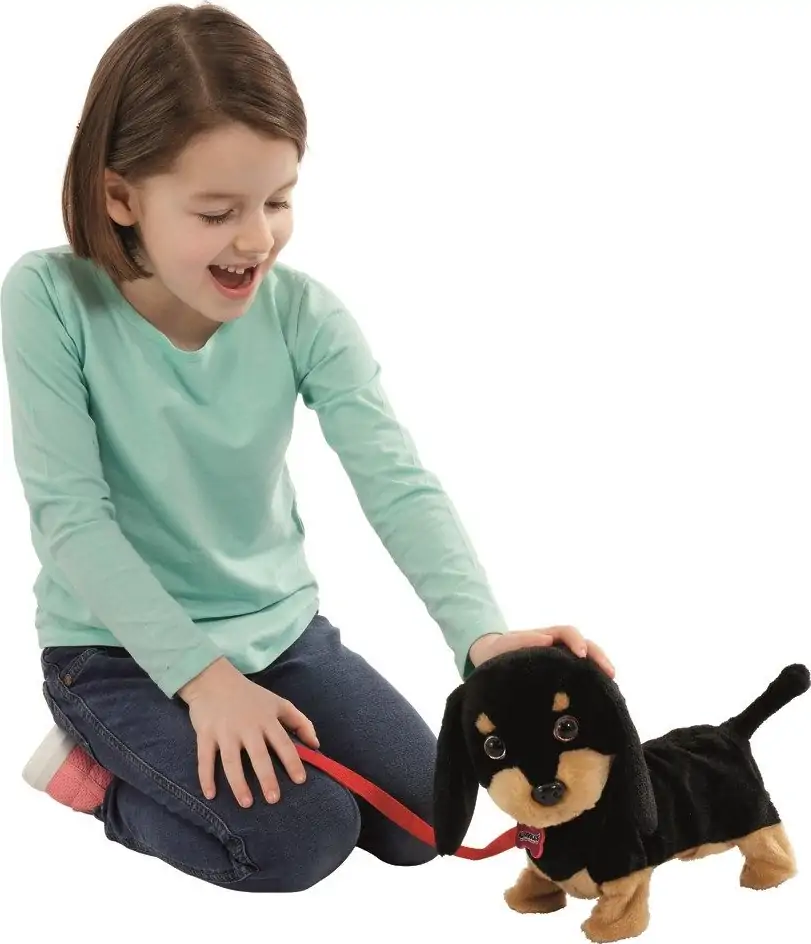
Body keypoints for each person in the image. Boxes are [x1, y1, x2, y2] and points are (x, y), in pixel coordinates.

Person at [0, 3, 613, 893]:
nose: (256, 238)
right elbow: (71, 521)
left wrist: (483, 641)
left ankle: (222, 744)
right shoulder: (48, 299)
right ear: (120, 196)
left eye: (278, 200)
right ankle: (100, 785)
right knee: (300, 840)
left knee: (429, 821)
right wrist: (205, 682)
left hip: (283, 636)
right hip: (115, 656)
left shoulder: (305, 315)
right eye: (217, 211)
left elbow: (397, 484)